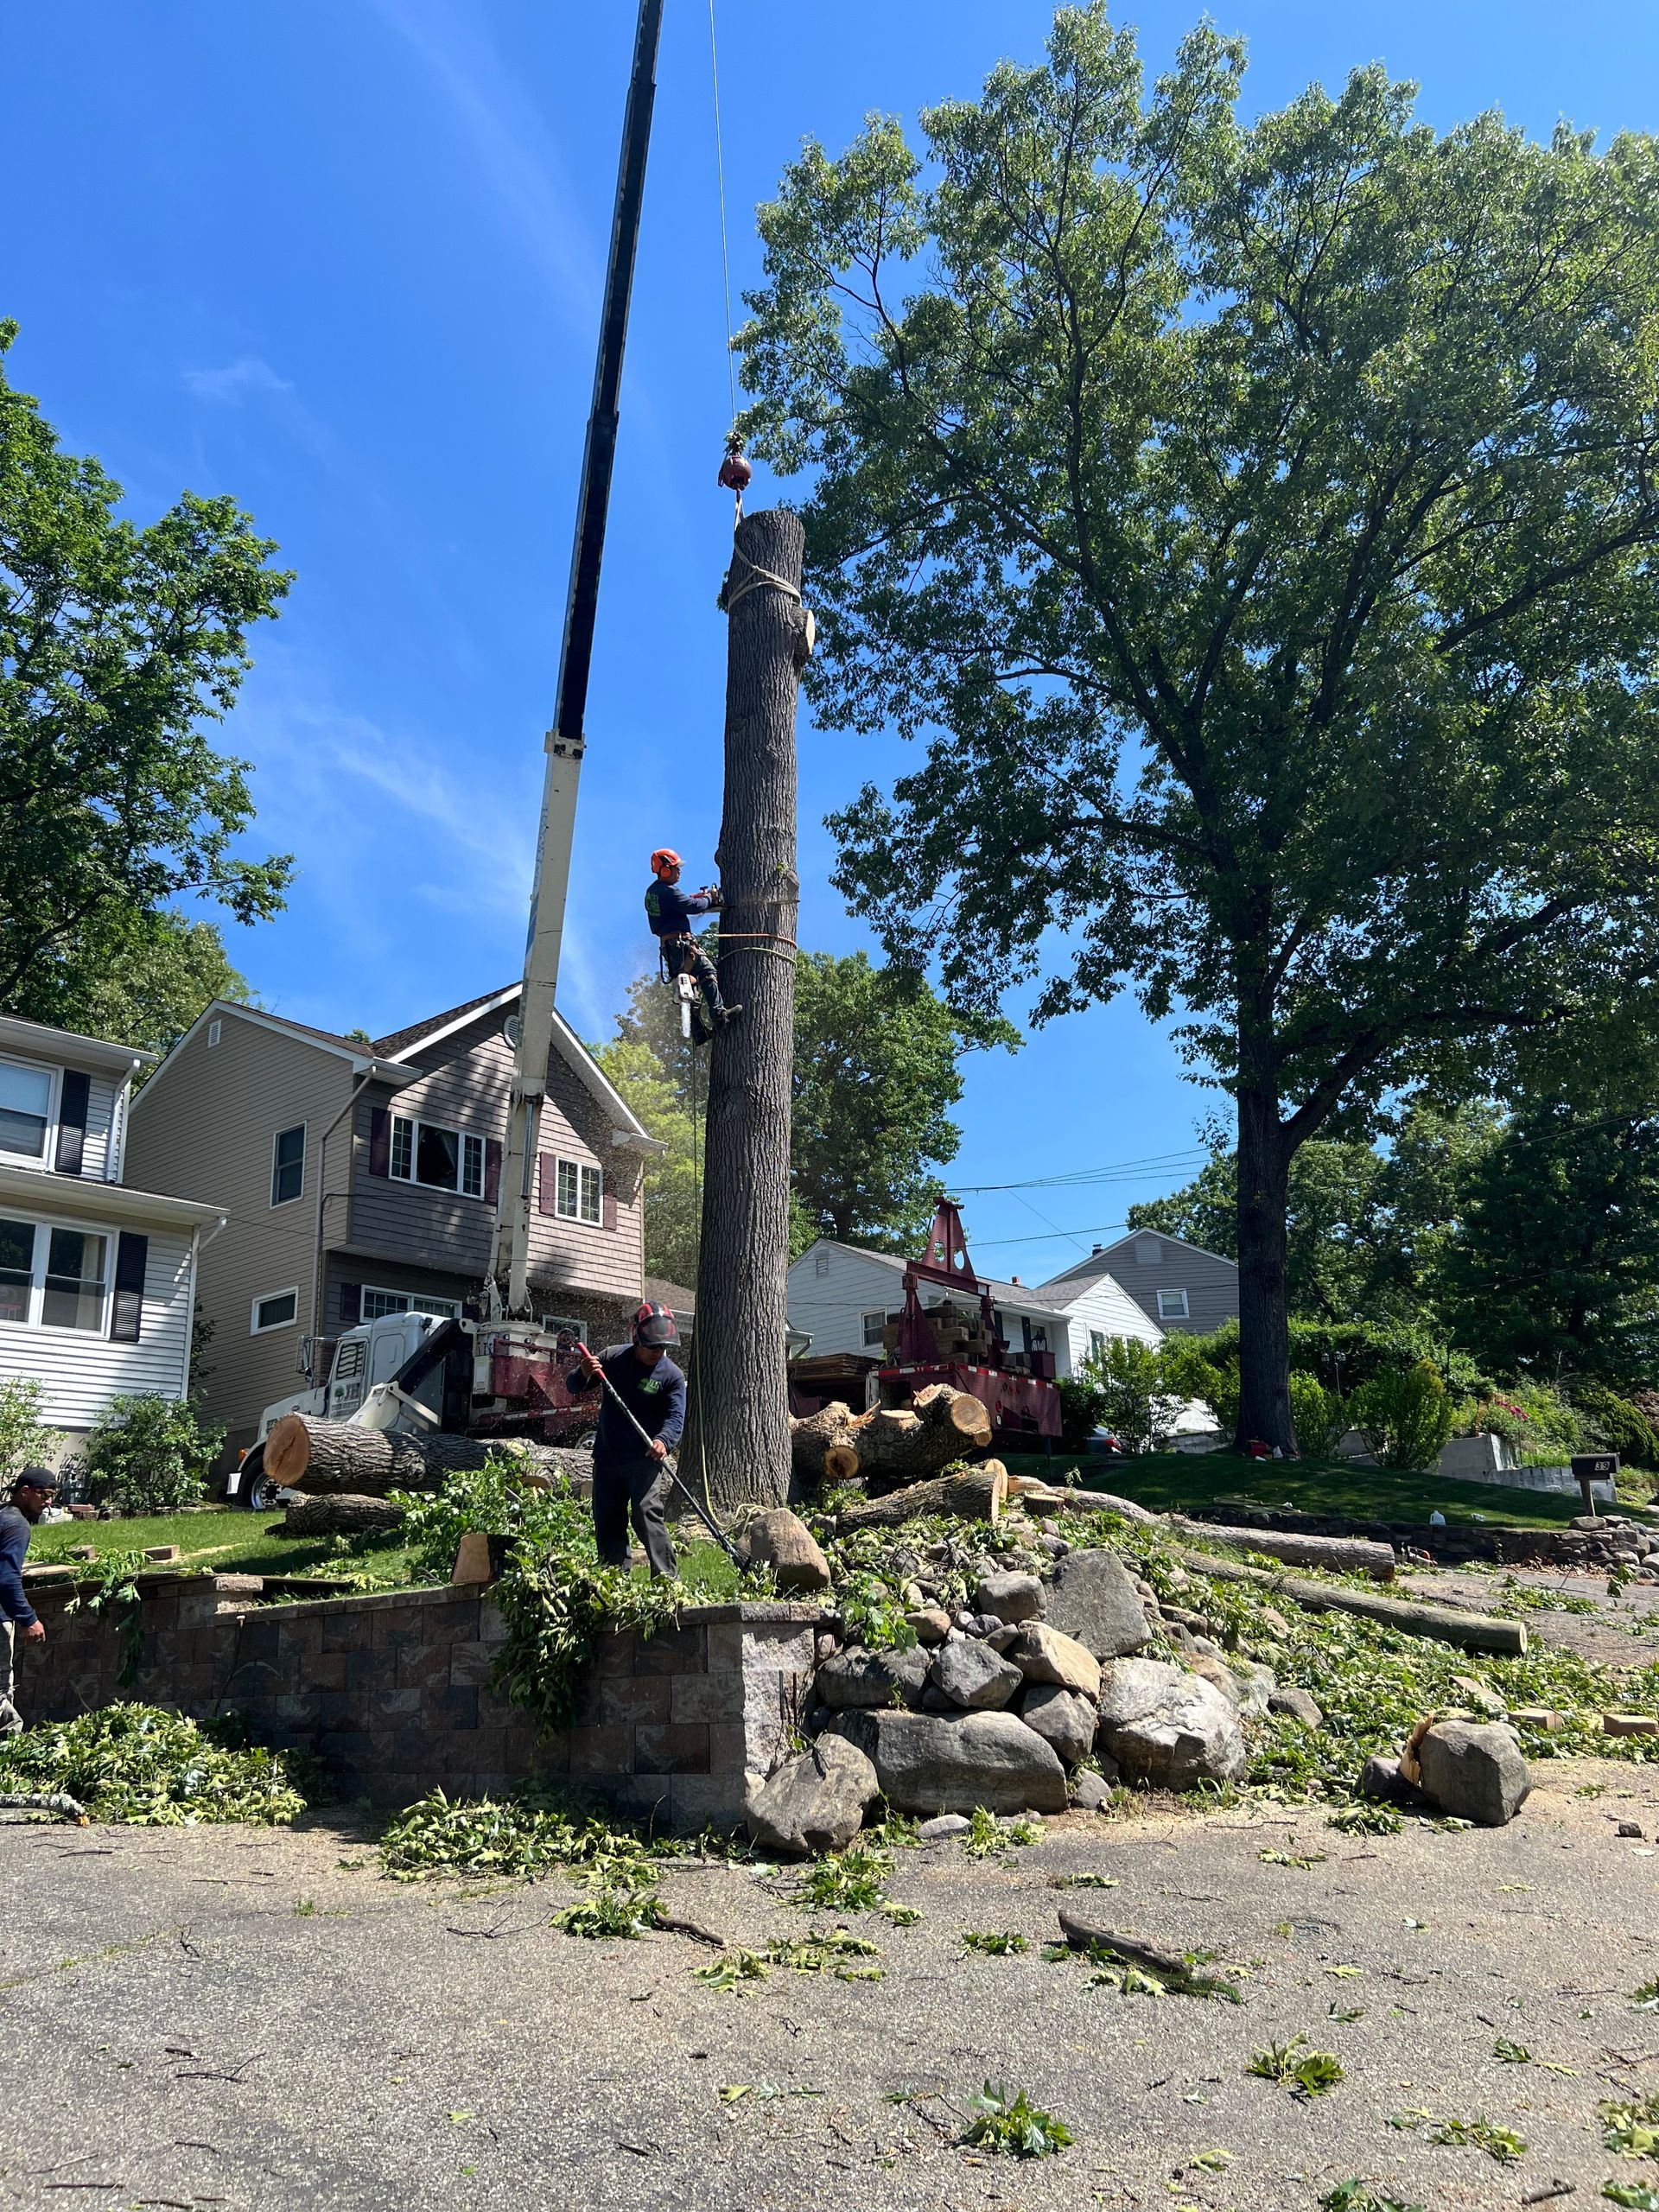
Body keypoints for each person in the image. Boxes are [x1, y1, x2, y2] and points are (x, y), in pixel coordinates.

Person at [566, 1303, 686, 1578]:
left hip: (644, 1458)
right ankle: (613, 1578)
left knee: (646, 1513)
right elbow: (573, 1386)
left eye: (663, 1348)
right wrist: (584, 1372)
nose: (658, 1353)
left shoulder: (672, 1376)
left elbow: (675, 1418)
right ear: (637, 1338)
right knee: (608, 1518)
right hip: (608, 1456)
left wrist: (663, 1441)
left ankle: (667, 1579)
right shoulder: (612, 1358)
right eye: (653, 1347)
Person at [645, 848, 741, 1045]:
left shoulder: (654, 892)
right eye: (675, 868)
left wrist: (698, 897)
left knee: (691, 987)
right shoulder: (666, 891)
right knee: (706, 970)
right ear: (664, 870)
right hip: (681, 945)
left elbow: (685, 902)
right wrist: (709, 899)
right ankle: (719, 1015)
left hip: (670, 949)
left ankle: (698, 1032)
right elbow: (691, 907)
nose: (679, 871)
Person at [0, 1466, 57, 1733]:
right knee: (0, 1693)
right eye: (44, 1495)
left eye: (52, 1496)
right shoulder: (17, 1525)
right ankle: (10, 1754)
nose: (48, 1503)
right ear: (25, 1492)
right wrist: (29, 1619)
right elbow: (7, 1579)